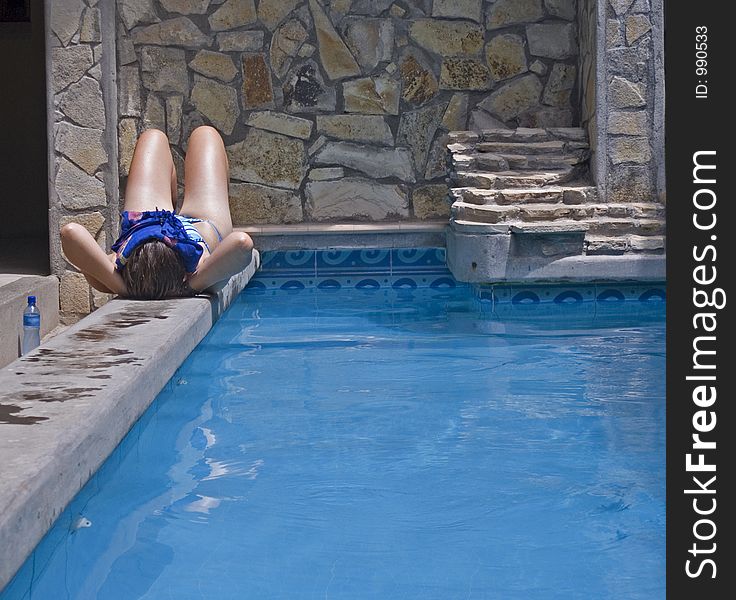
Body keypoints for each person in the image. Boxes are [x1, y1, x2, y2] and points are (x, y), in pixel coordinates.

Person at [61, 126, 255, 299]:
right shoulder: (203, 270)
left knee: (153, 137)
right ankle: (172, 202)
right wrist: (191, 285)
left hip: (149, 219)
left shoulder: (116, 269)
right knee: (205, 135)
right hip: (201, 225)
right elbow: (242, 243)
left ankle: (171, 202)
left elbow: (70, 233)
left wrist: (121, 288)